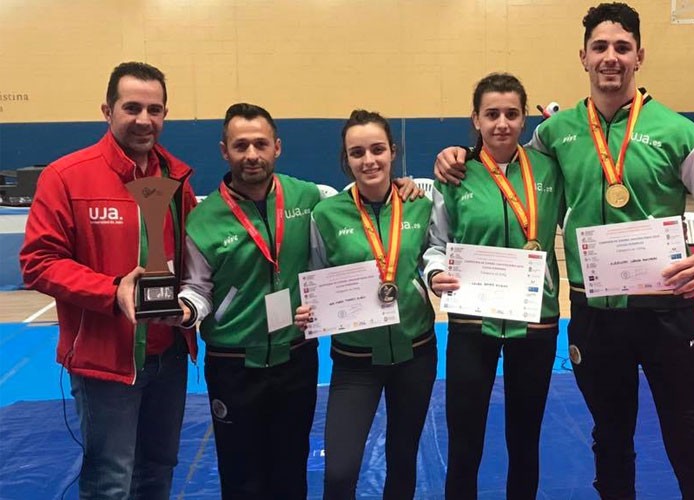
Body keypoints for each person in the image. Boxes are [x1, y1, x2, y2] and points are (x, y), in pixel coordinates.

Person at [435, 4, 694, 499]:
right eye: (600, 47)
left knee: (688, 438)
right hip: (595, 314)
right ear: (583, 56)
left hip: (666, 309)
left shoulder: (677, 130)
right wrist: (459, 155)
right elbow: (503, 161)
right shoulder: (555, 135)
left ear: (639, 56)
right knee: (611, 440)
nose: (610, 57)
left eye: (622, 47)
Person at [177, 103, 423, 499]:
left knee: (292, 464)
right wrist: (187, 310)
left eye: (261, 144)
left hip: (296, 356)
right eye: (241, 146)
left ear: (278, 146)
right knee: (241, 473)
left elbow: (359, 200)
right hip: (233, 361)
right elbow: (198, 288)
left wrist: (402, 185)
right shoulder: (203, 218)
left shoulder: (309, 197)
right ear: (225, 151)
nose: (252, 154)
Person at [19, 62, 198, 499]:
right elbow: (38, 261)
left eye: (154, 109)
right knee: (110, 479)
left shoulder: (177, 177)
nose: (144, 119)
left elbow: (197, 260)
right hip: (105, 360)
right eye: (132, 107)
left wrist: (192, 305)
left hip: (168, 355)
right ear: (107, 110)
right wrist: (111, 290)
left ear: (165, 114)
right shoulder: (66, 176)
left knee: (158, 470)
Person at [423, 73, 564, 499]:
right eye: (492, 114)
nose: (501, 123)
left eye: (511, 113)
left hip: (536, 322)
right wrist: (434, 274)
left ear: (524, 120)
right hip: (471, 322)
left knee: (525, 441)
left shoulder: (550, 168)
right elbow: (435, 244)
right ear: (476, 119)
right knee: (464, 441)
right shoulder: (456, 173)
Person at [294, 110, 436, 500]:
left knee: (403, 459)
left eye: (377, 149)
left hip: (415, 353)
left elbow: (432, 257)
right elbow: (316, 278)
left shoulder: (420, 205)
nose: (369, 160)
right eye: (357, 153)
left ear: (393, 151)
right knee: (340, 471)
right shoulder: (326, 214)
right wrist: (310, 309)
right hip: (355, 360)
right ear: (346, 160)